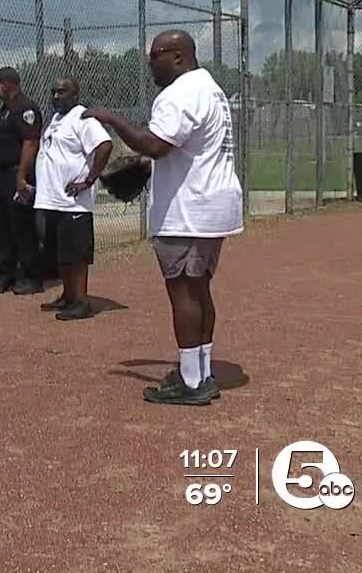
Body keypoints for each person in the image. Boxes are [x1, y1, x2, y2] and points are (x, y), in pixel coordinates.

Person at [83, 30, 243, 405]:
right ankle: (200, 371)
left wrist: (111, 118)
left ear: (177, 56)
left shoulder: (179, 93)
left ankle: (191, 382)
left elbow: (155, 145)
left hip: (188, 211)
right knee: (199, 287)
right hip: (211, 204)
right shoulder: (210, 89)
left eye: (155, 55)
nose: (150, 62)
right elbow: (180, 150)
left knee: (183, 290)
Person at [33, 77, 113, 321]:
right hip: (52, 199)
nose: (56, 96)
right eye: (54, 91)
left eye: (62, 92)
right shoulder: (56, 118)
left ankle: (81, 302)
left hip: (73, 202)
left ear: (75, 95)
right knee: (62, 252)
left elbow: (105, 145)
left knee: (77, 254)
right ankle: (68, 296)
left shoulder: (83, 118)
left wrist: (88, 180)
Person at [0, 67, 45, 296]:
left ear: (6, 84)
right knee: (3, 227)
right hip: (3, 173)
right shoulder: (4, 109)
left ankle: (31, 277)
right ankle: (6, 274)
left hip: (18, 173)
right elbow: (2, 144)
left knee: (22, 225)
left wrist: (21, 175)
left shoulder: (25, 107)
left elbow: (30, 143)